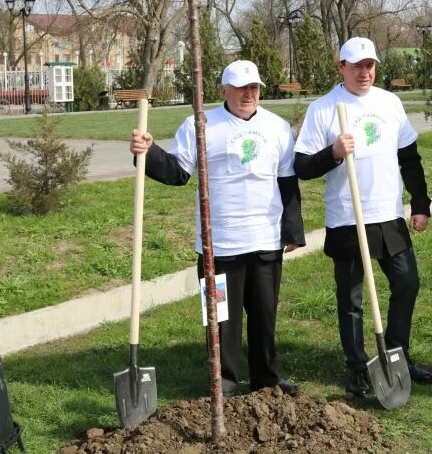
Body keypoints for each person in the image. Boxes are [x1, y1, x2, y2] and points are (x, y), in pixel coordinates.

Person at [129, 60, 304, 397]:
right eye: (241, 88)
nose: (249, 94)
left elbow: (287, 180)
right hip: (218, 245)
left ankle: (266, 379)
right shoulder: (201, 125)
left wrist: (292, 230)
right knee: (220, 317)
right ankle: (224, 379)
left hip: (265, 240)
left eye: (254, 88)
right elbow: (178, 172)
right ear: (223, 90)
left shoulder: (278, 127)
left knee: (265, 315)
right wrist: (148, 152)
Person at [293, 36, 432, 398]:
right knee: (352, 300)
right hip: (347, 217)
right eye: (356, 66)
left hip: (388, 213)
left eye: (369, 65)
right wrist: (334, 153)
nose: (364, 72)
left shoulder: (390, 102)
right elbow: (303, 166)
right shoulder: (324, 108)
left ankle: (398, 354)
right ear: (341, 67)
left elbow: (409, 157)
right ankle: (357, 367)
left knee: (407, 284)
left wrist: (420, 202)